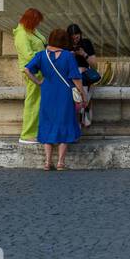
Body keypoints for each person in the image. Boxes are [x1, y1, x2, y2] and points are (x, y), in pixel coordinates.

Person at [24, 29, 86, 171]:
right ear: (65, 41)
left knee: (47, 123)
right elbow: (76, 78)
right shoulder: (68, 56)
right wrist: (83, 94)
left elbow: (27, 70)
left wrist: (39, 82)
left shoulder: (41, 55)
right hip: (64, 94)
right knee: (64, 122)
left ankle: (47, 162)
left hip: (47, 93)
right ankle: (60, 163)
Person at [12, 8, 46, 143]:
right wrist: (45, 58)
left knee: (37, 102)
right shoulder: (21, 34)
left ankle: (35, 131)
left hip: (38, 70)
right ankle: (27, 134)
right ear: (30, 20)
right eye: (36, 21)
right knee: (33, 102)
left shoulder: (30, 30)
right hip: (32, 72)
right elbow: (28, 55)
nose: (38, 25)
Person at [67, 23, 101, 128]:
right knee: (79, 95)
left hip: (85, 76)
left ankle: (82, 118)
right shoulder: (65, 45)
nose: (75, 40)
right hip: (71, 76)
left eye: (77, 37)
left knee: (84, 92)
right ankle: (81, 118)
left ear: (80, 34)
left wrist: (83, 54)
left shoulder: (86, 43)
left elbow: (94, 65)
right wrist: (69, 55)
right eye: (72, 38)